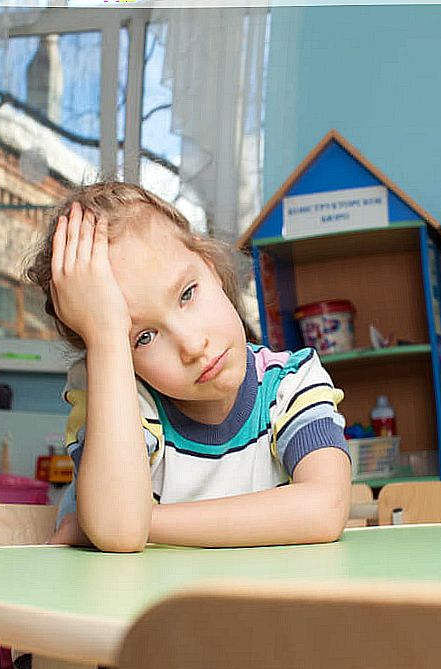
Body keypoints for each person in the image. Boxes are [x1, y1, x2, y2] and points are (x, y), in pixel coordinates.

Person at [25, 182, 352, 552]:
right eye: (143, 337)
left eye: (186, 294)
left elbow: (325, 508)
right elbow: (118, 529)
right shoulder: (119, 400)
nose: (193, 346)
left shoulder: (291, 383)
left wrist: (142, 521)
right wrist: (105, 335)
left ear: (210, 267)